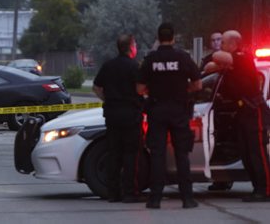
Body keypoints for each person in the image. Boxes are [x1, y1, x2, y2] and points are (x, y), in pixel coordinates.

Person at [137, 22, 202, 209]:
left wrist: (156, 90)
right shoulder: (183, 57)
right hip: (179, 110)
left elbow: (139, 89)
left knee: (157, 155)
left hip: (157, 111)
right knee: (182, 154)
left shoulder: (150, 59)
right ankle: (187, 199)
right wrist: (183, 90)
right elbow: (198, 85)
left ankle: (155, 198)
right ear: (173, 38)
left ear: (158, 38)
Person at [212, 30, 270, 202]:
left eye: (223, 42)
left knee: (256, 152)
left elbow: (216, 57)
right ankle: (257, 187)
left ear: (233, 44)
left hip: (254, 111)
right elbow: (212, 65)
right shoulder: (232, 62)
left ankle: (266, 189)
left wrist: (217, 61)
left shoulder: (241, 56)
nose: (220, 45)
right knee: (246, 153)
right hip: (243, 112)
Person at [92, 34, 144, 203]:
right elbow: (140, 89)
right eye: (135, 44)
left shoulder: (108, 65)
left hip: (112, 115)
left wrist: (107, 99)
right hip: (130, 115)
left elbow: (96, 87)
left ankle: (112, 193)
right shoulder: (134, 66)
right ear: (131, 47)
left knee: (114, 154)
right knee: (130, 155)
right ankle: (129, 192)